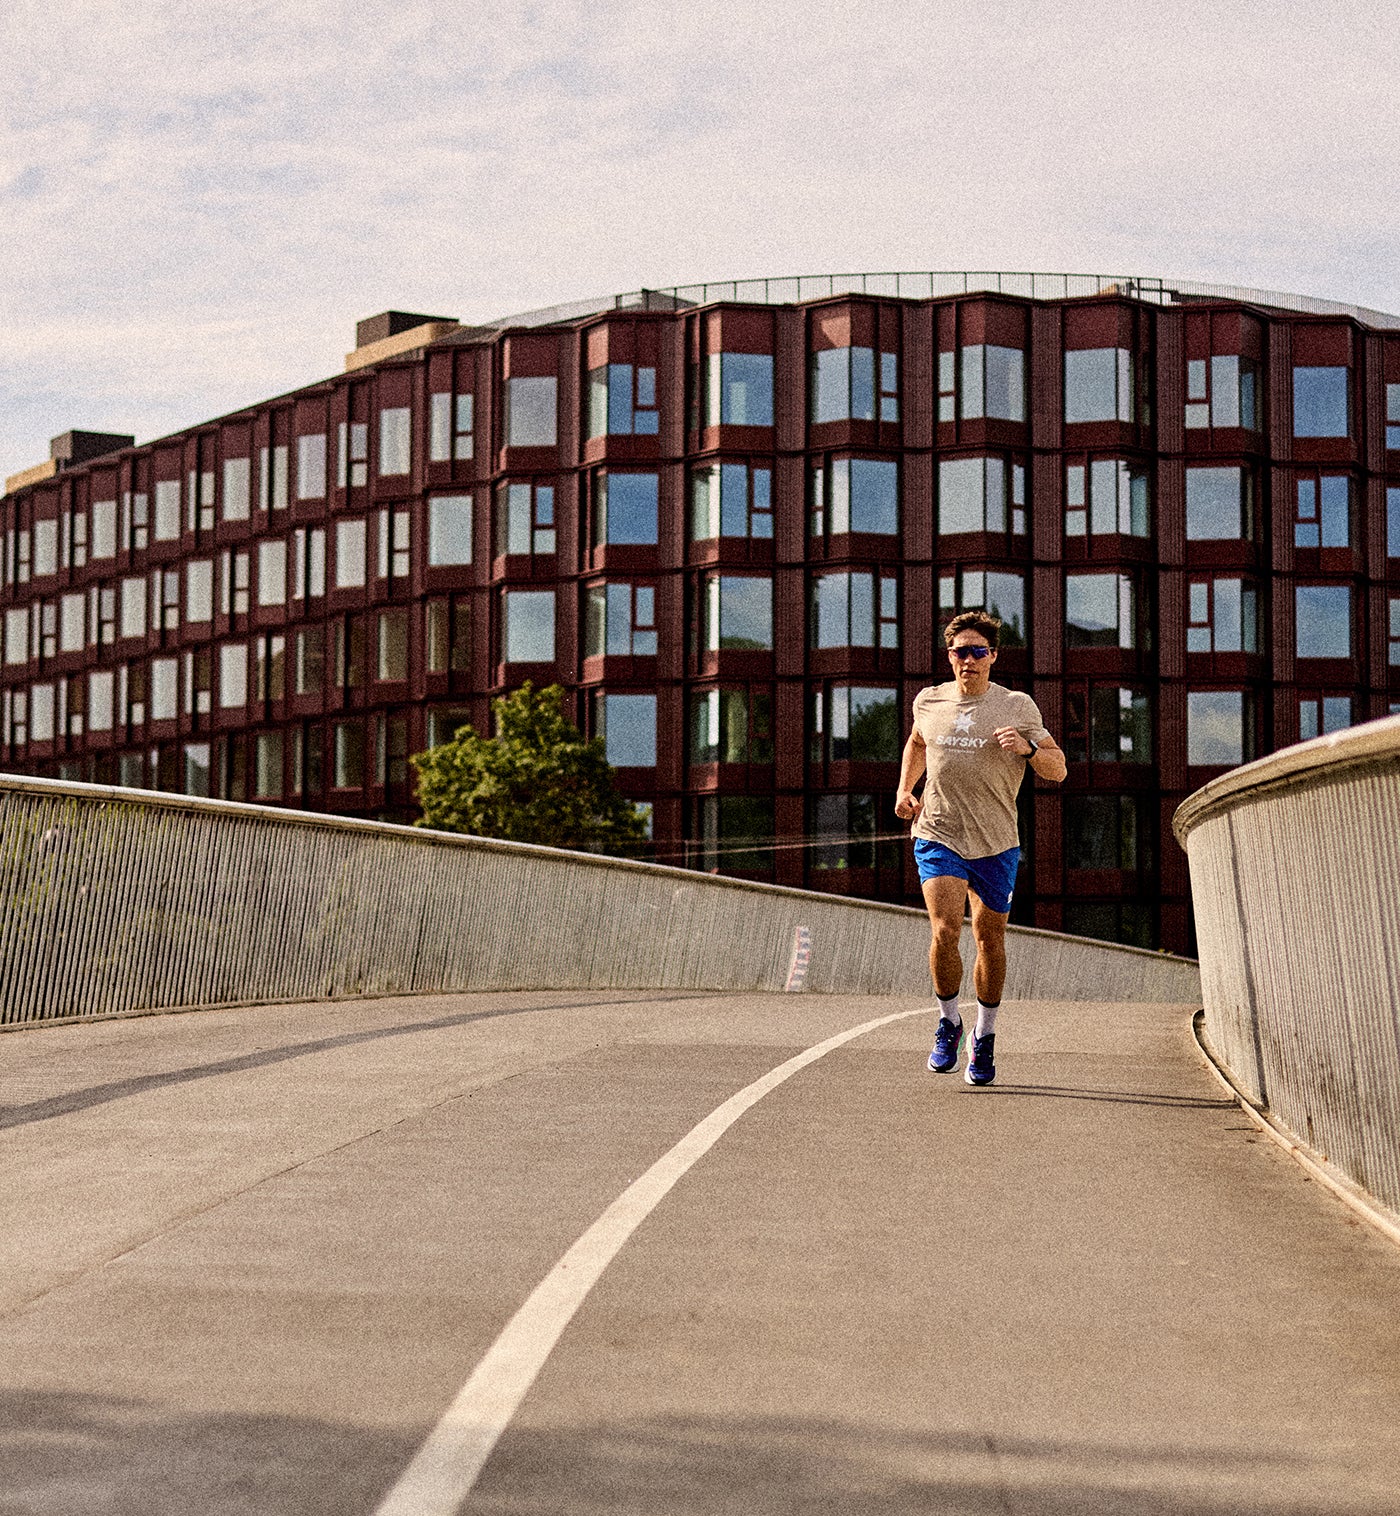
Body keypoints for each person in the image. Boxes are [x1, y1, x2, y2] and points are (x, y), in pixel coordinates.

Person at [894, 611, 1066, 1086]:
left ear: (993, 657)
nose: (967, 660)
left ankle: (984, 1036)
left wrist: (1028, 751)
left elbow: (1059, 769)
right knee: (946, 930)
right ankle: (949, 1021)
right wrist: (904, 790)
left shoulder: (1016, 706)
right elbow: (916, 743)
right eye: (959, 652)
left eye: (978, 652)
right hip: (938, 831)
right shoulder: (928, 700)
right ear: (949, 656)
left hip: (995, 842)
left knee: (989, 938)